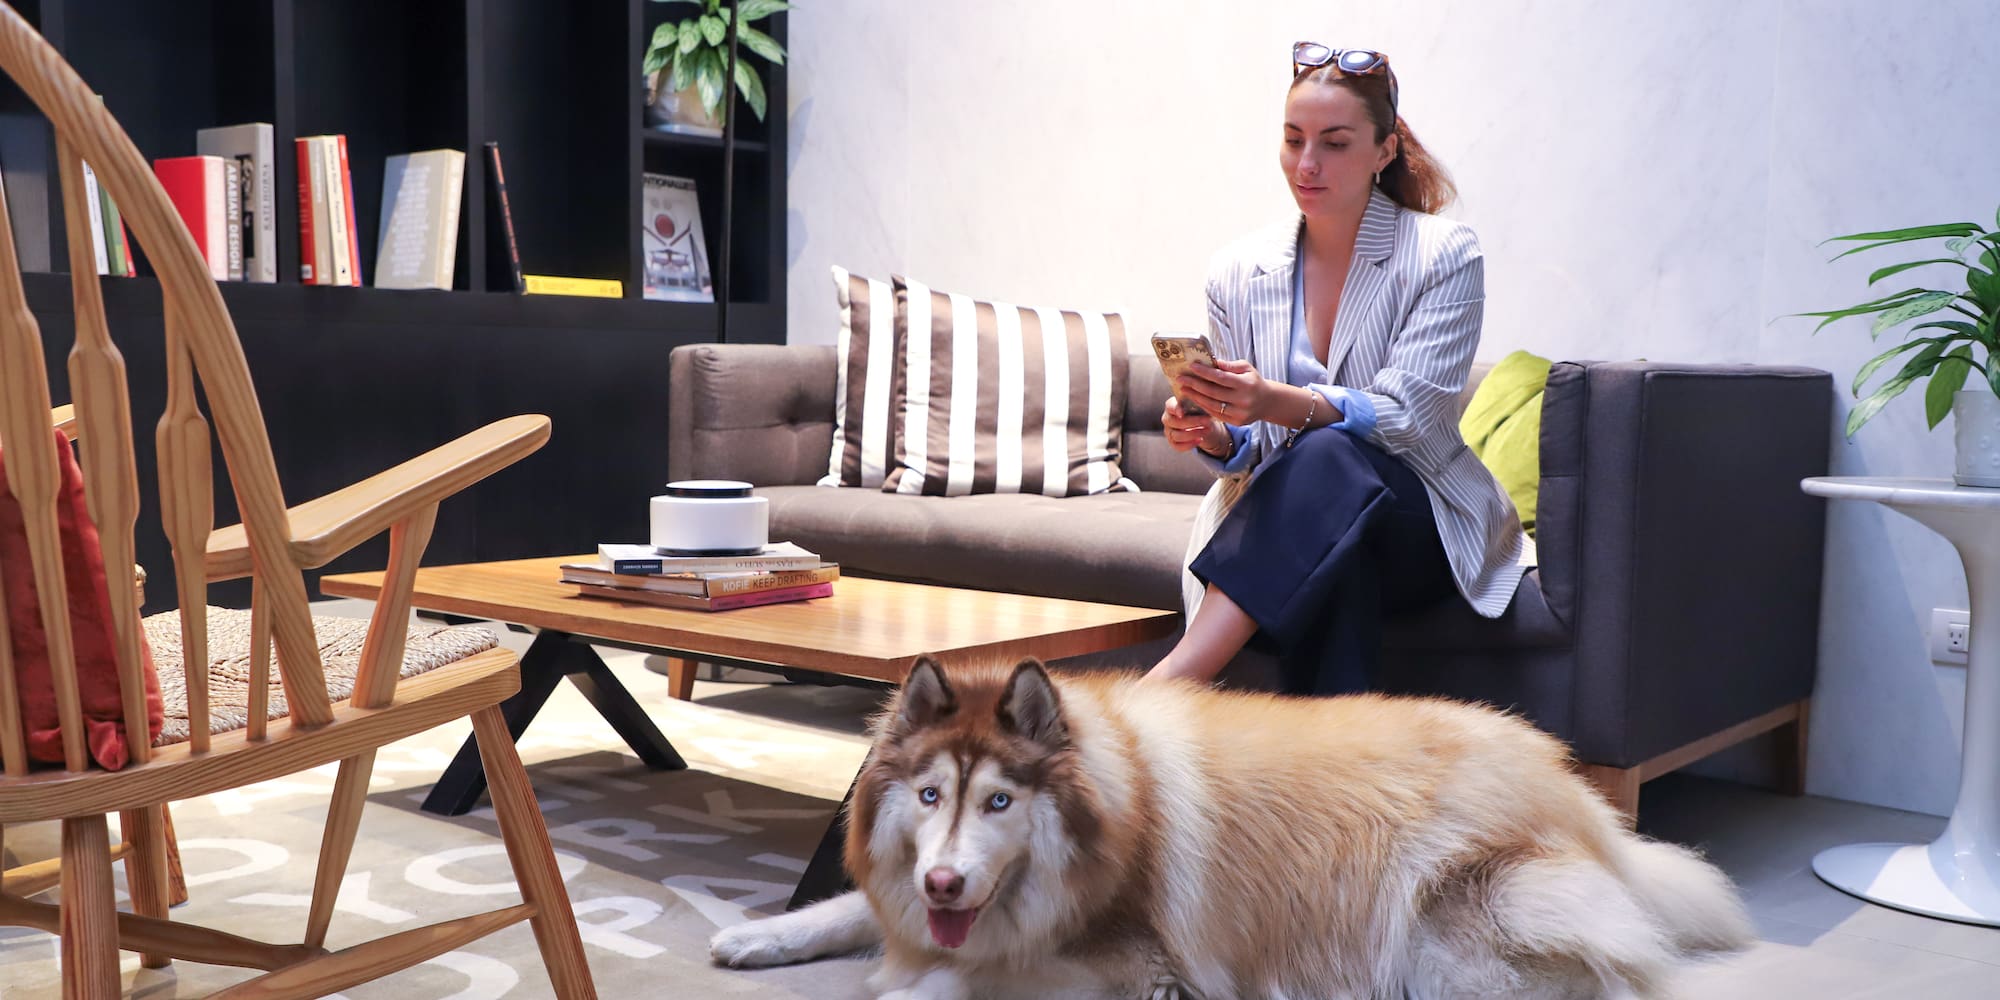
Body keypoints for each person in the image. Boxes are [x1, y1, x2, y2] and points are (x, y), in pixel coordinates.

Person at [1146, 42, 1525, 693]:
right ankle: (1332, 788)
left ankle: (1170, 685)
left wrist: (1280, 401)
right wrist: (1215, 433)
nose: (1308, 163)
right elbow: (1253, 449)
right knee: (1338, 569)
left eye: (1335, 142)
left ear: (1384, 151)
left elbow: (1406, 420)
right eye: (1294, 140)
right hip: (1304, 530)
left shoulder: (1443, 255)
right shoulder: (1238, 271)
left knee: (1330, 452)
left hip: (1419, 521)